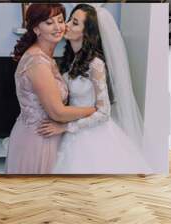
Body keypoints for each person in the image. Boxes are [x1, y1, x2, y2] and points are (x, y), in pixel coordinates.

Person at [37, 4, 151, 174]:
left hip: (91, 136)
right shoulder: (71, 60)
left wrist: (65, 127)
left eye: (74, 23)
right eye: (69, 19)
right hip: (71, 129)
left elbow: (104, 113)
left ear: (86, 33)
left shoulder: (95, 64)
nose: (66, 25)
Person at [6, 3, 96, 174]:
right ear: (36, 29)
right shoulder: (37, 62)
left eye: (60, 21)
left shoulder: (46, 57)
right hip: (38, 139)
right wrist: (94, 110)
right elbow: (57, 112)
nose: (58, 27)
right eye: (49, 23)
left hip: (48, 134)